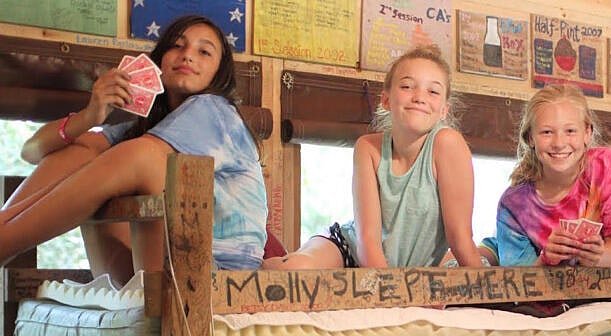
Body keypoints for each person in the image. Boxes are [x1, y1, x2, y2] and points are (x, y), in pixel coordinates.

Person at [2, 14, 267, 283]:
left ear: (219, 73)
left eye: (204, 52)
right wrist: (90, 117)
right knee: (82, 151)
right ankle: (4, 233)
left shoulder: (215, 110)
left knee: (137, 155)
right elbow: (31, 151)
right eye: (177, 45)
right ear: (160, 60)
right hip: (153, 269)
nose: (187, 56)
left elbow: (140, 157)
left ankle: (5, 240)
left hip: (220, 275)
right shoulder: (150, 129)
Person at [264, 45, 482, 270]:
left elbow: (460, 238)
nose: (419, 97)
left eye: (433, 91)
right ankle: (262, 258)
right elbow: (367, 239)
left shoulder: (448, 144)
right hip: (351, 249)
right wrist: (390, 294)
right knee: (292, 270)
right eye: (407, 86)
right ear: (386, 100)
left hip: (405, 271)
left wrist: (490, 295)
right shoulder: (368, 147)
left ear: (444, 110)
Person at [496, 85, 611, 268]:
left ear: (587, 133)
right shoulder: (513, 204)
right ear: (531, 138)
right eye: (547, 132)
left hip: (606, 287)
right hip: (549, 293)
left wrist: (598, 256)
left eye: (570, 131)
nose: (559, 143)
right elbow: (519, 283)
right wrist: (546, 259)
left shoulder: (605, 165)